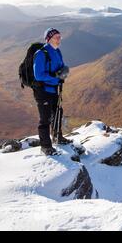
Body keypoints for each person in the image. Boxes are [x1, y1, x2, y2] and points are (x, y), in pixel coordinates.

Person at [33, 28, 73, 156]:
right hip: (43, 91)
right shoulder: (41, 53)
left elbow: (61, 66)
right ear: (49, 39)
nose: (59, 39)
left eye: (60, 37)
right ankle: (45, 146)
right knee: (45, 119)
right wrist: (55, 78)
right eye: (56, 37)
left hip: (54, 89)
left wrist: (63, 71)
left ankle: (58, 137)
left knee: (57, 114)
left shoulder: (57, 52)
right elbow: (38, 75)